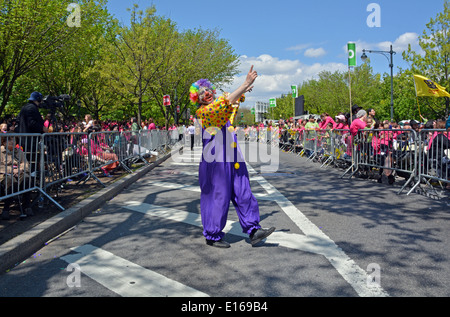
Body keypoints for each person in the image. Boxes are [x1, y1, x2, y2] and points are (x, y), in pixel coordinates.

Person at [190, 66, 275, 248]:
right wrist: (244, 84)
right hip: (215, 162)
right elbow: (224, 104)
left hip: (233, 158)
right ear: (198, 98)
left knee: (243, 191)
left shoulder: (222, 110)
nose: (208, 94)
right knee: (217, 196)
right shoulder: (203, 113)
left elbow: (231, 103)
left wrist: (243, 90)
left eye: (209, 90)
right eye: (203, 93)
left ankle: (253, 230)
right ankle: (213, 235)